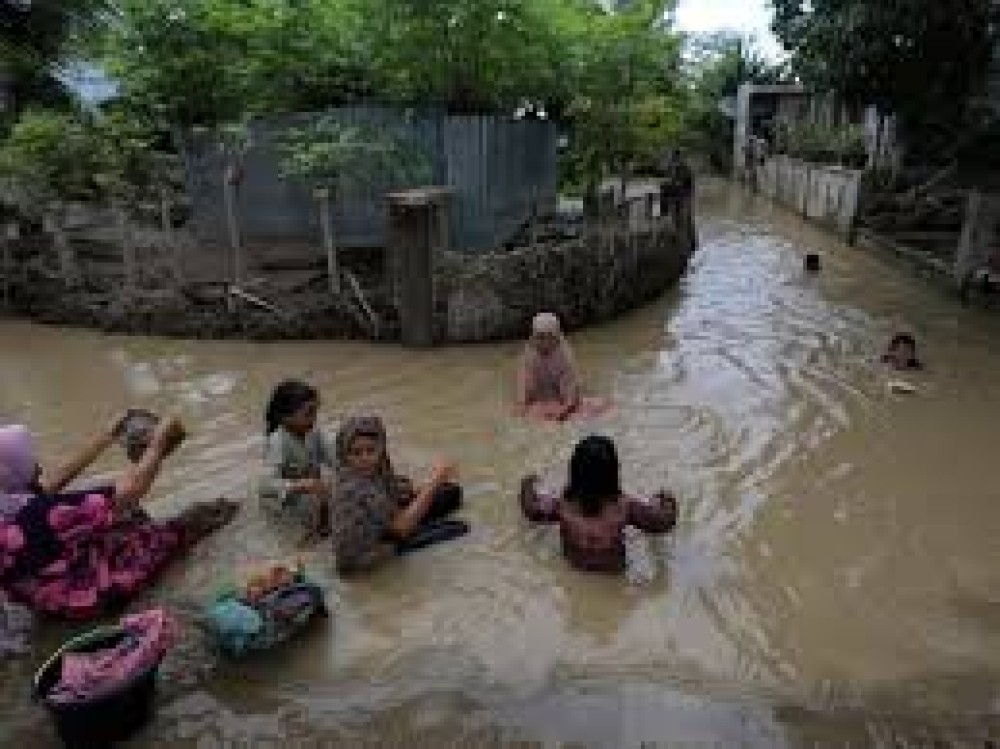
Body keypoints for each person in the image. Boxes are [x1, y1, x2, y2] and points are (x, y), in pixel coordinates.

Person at [0, 416, 237, 619]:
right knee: (180, 523)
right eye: (30, 461)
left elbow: (55, 481)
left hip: (40, 597)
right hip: (80, 599)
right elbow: (132, 489)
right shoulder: (44, 512)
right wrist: (159, 441)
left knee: (117, 518)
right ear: (18, 468)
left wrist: (105, 438)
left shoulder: (10, 504)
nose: (39, 467)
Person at [329, 416, 467, 575]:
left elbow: (395, 490)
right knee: (459, 527)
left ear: (381, 449)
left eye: (371, 451)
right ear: (345, 454)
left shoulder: (365, 470)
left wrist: (425, 488)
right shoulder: (354, 485)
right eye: (356, 453)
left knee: (449, 493)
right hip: (368, 556)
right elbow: (401, 528)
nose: (365, 458)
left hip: (381, 526)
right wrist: (436, 479)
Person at [519, 435, 677, 574]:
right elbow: (662, 523)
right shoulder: (624, 507)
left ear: (574, 471)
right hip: (613, 575)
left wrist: (527, 485)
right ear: (614, 473)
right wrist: (667, 500)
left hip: (574, 568)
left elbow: (532, 510)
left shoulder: (562, 506)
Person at [258, 380, 334, 539]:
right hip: (283, 505)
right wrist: (300, 485)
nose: (314, 418)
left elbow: (333, 457)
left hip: (312, 495)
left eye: (315, 412)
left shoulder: (314, 433)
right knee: (304, 538)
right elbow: (265, 485)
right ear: (285, 417)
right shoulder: (277, 441)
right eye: (309, 413)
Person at [515, 312, 581, 422]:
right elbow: (523, 389)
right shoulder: (529, 354)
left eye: (550, 337)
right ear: (533, 337)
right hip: (540, 395)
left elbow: (572, 390)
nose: (545, 343)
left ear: (557, 337)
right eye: (540, 337)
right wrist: (522, 408)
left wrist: (564, 410)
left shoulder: (564, 354)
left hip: (559, 394)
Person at [661, 148, 694, 220]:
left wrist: (677, 180)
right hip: (681, 186)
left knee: (679, 200)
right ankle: (667, 212)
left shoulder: (680, 164)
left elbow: (685, 176)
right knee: (666, 190)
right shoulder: (676, 163)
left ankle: (670, 212)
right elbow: (670, 175)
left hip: (684, 186)